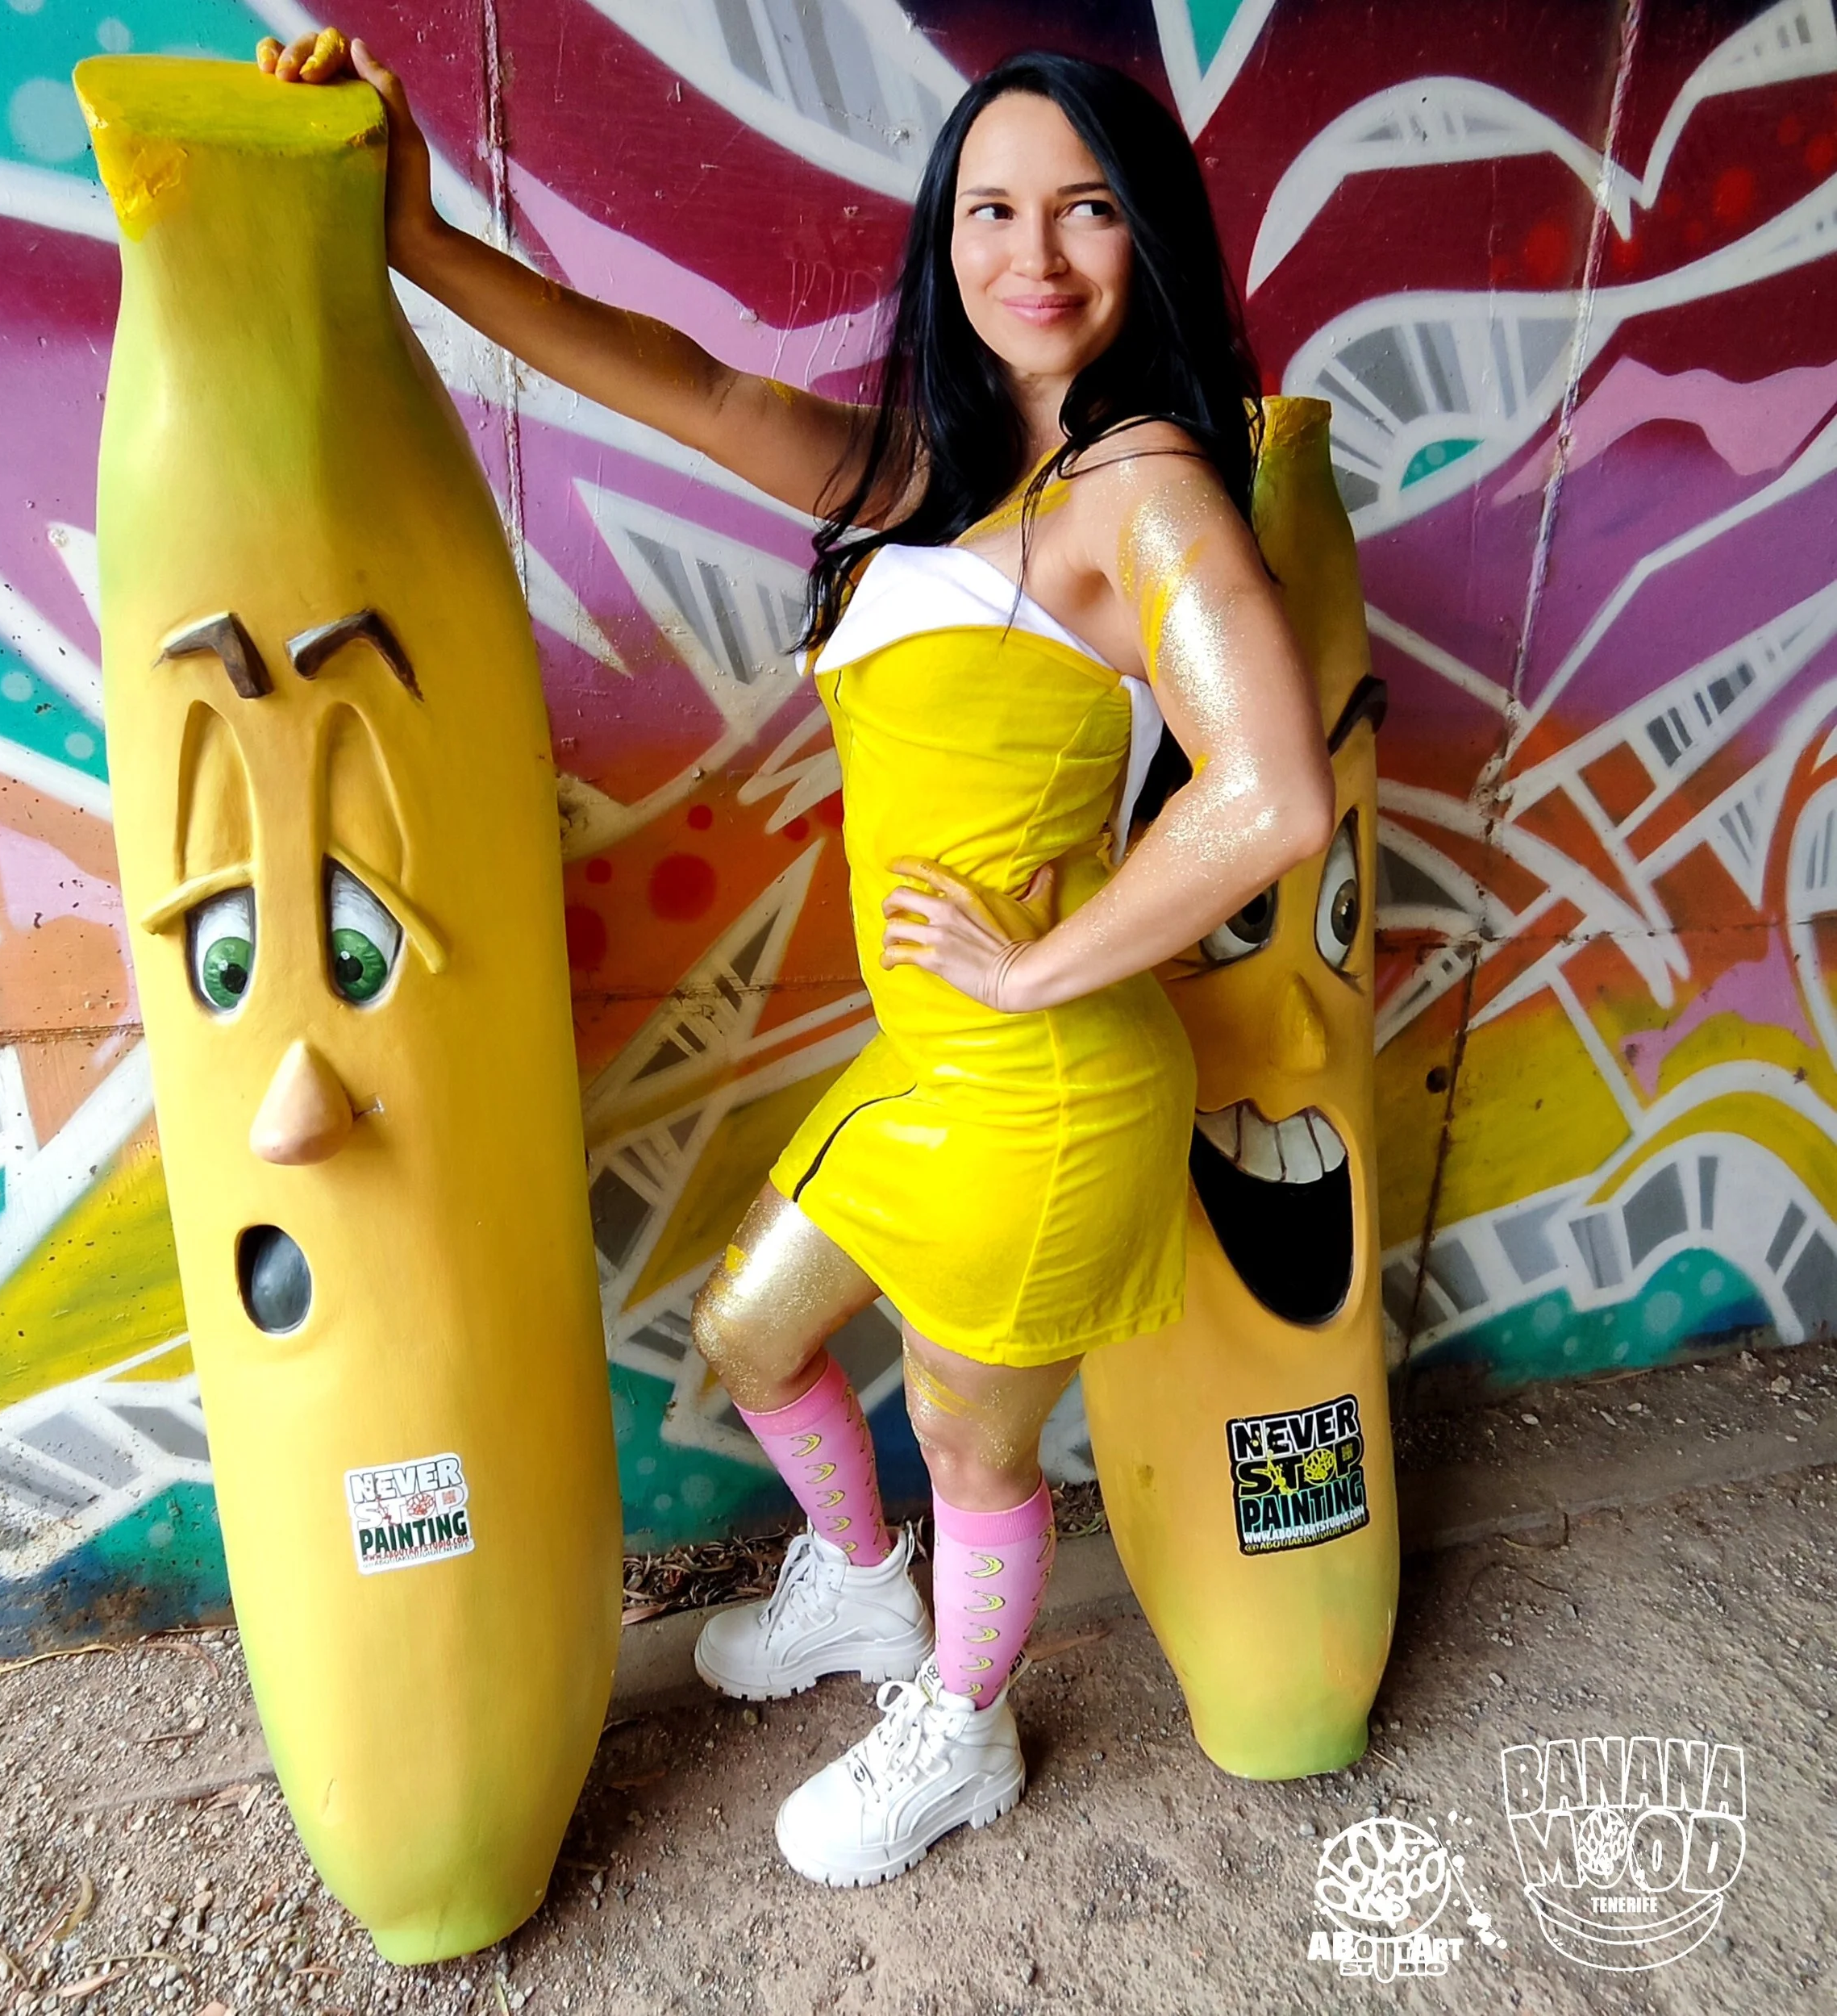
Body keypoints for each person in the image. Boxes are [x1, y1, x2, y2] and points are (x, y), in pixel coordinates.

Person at [262, 29, 1332, 1886]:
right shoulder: (935, 467)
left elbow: (1274, 793)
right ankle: (858, 1588)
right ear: (944, 238)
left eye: (1087, 212)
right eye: (991, 210)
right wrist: (418, 240)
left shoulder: (1138, 486)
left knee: (968, 1438)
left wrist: (1037, 960)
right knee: (752, 1327)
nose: (1036, 256)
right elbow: (671, 377)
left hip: (1043, 1085)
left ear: (1148, 241)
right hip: (930, 1072)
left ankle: (966, 1721)